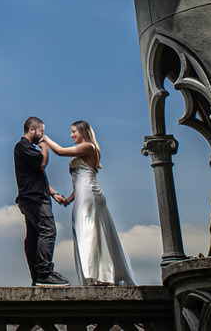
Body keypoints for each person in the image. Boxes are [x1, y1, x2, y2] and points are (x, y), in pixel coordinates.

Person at [42, 120, 135, 286]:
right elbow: (78, 181)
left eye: (74, 132)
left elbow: (61, 151)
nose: (71, 135)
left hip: (90, 194)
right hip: (83, 194)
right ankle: (93, 275)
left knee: (90, 231)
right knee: (84, 230)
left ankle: (98, 276)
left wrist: (45, 138)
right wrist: (68, 199)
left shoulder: (89, 147)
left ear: (83, 132)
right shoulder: (83, 151)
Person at [14, 116, 70, 286]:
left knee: (33, 236)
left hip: (32, 197)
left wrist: (54, 194)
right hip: (35, 199)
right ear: (32, 130)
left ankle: (37, 276)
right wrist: (45, 146)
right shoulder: (23, 146)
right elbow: (42, 164)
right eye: (41, 131)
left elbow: (40, 176)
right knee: (48, 230)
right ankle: (44, 274)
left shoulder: (27, 148)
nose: (42, 135)